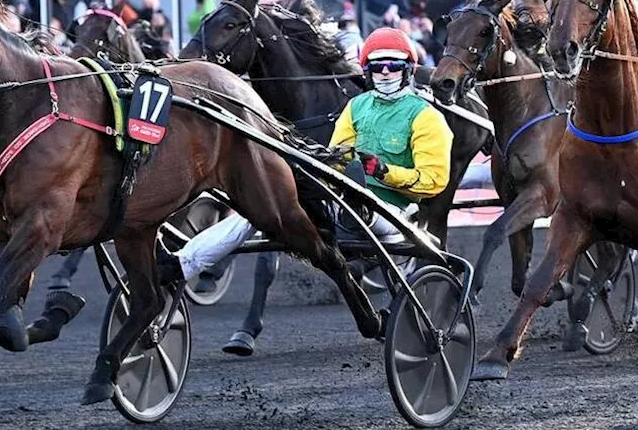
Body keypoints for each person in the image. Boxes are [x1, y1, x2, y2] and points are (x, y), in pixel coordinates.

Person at [170, 28, 453, 346]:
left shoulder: (426, 117)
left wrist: (386, 173)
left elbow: (433, 182)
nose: (385, 72)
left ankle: (360, 220)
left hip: (393, 212)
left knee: (360, 212)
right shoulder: (356, 107)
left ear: (408, 70)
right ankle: (183, 262)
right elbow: (338, 156)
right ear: (367, 70)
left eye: (393, 65)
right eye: (377, 66)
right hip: (344, 200)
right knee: (260, 208)